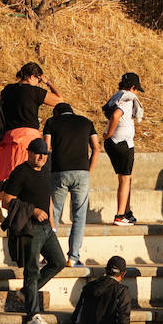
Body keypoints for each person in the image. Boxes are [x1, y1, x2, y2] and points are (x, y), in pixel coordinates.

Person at [0, 138, 67, 324]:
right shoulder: (20, 173)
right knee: (32, 270)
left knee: (59, 262)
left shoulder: (46, 171)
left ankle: (26, 293)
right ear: (28, 153)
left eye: (44, 154)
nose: (41, 157)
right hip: (29, 228)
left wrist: (53, 225)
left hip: (47, 229)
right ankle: (33, 315)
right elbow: (6, 200)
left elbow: (49, 200)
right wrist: (33, 211)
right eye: (37, 153)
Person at [0, 62, 62, 190]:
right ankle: (17, 205)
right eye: (38, 79)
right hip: (27, 139)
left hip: (8, 138)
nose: (38, 82)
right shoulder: (35, 91)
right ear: (32, 76)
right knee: (25, 175)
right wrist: (48, 82)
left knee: (5, 176)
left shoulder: (7, 90)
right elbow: (59, 100)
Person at [45, 102, 100, 266]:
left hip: (58, 172)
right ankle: (73, 257)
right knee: (79, 216)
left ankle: (50, 256)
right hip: (82, 172)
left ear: (56, 112)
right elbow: (96, 148)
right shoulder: (86, 122)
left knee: (53, 213)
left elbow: (46, 147)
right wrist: (88, 170)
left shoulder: (51, 122)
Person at [102, 72, 144, 227]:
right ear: (132, 87)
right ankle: (120, 215)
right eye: (137, 89)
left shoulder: (117, 95)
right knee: (125, 179)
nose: (137, 92)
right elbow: (116, 115)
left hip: (113, 143)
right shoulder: (127, 98)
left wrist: (108, 135)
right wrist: (109, 133)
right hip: (122, 143)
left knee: (125, 178)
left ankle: (126, 212)